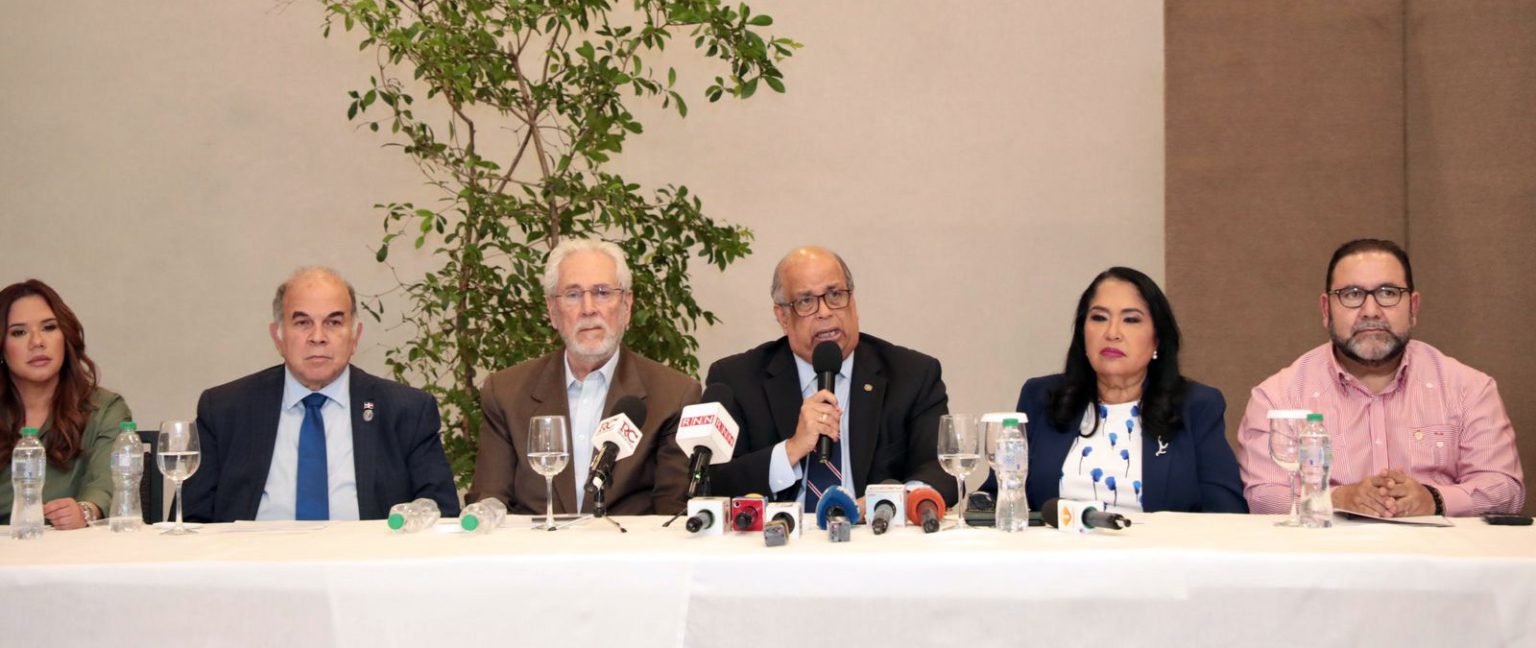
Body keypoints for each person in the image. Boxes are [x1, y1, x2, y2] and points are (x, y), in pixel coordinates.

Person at [1237, 239, 1524, 517]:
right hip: (1327, 559)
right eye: (1351, 294)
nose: (1371, 311)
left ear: (1413, 307)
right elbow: (1263, 495)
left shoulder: (1469, 389)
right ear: (1326, 310)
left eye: (1388, 293)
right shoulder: (1279, 396)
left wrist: (1434, 499)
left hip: (1441, 559)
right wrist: (1338, 498)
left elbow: (1505, 490)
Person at [183, 267, 459, 522]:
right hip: (254, 567)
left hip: (365, 568)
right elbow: (190, 521)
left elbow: (440, 513)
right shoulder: (225, 409)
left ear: (355, 336)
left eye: (333, 322)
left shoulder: (407, 411)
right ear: (278, 337)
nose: (318, 337)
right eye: (302, 323)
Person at [703, 246, 956, 512]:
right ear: (783, 317)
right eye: (806, 301)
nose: (824, 312)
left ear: (853, 304)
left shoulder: (912, 374)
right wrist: (791, 449)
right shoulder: (735, 380)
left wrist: (885, 504)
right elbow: (713, 482)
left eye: (835, 295)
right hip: (777, 544)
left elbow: (941, 470)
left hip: (874, 540)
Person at [466, 239, 700, 516]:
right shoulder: (505, 392)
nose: (588, 308)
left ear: (626, 306)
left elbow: (672, 516)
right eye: (573, 295)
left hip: (627, 554)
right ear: (553, 311)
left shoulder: (674, 395)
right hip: (534, 553)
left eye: (602, 292)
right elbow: (490, 500)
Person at [1004, 267, 1245, 514]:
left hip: (1156, 551)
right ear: (1082, 332)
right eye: (1099, 318)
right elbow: (1000, 493)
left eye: (1131, 319)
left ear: (1157, 339)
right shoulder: (1042, 397)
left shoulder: (1196, 405)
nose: (1112, 333)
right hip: (1055, 551)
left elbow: (1227, 512)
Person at [0, 279, 132, 529]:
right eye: (19, 332)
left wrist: (85, 511)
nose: (37, 342)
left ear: (65, 336)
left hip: (74, 552)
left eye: (49, 327)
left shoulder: (105, 409)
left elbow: (108, 482)